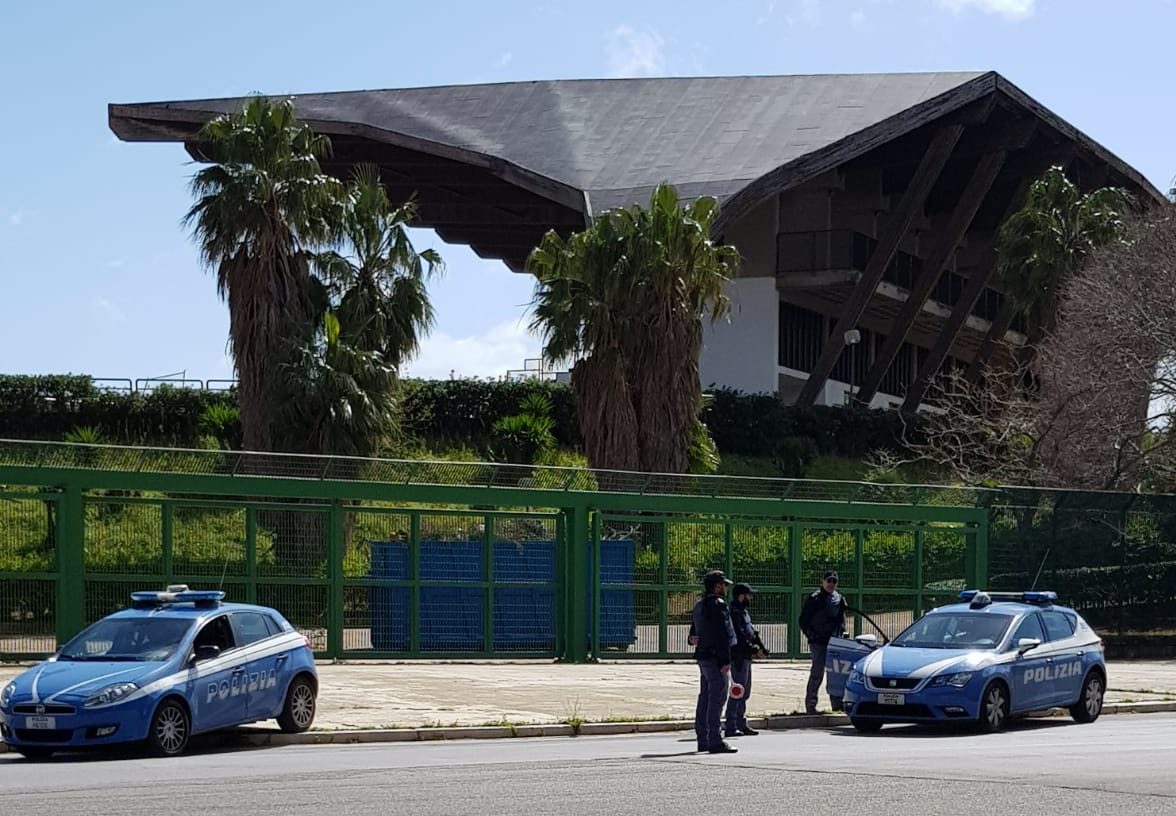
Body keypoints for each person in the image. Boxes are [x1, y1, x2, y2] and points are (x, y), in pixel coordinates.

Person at [690, 569, 738, 754]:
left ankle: (703, 739)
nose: (725, 588)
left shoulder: (699, 605)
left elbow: (693, 632)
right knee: (717, 698)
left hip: (702, 656)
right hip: (715, 657)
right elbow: (722, 634)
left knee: (705, 697)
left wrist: (692, 639)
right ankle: (715, 739)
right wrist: (725, 660)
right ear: (717, 586)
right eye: (724, 585)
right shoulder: (719, 605)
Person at [798, 571, 846, 715]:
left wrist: (841, 637)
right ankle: (811, 705)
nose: (831, 584)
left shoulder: (839, 599)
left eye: (834, 581)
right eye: (828, 581)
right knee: (817, 672)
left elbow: (842, 621)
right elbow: (803, 620)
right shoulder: (814, 599)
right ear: (823, 581)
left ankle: (837, 705)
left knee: (836, 673)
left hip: (834, 642)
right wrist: (812, 635)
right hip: (818, 642)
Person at [725, 581, 768, 737]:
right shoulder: (734, 613)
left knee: (745, 691)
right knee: (738, 691)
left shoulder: (743, 612)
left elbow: (752, 633)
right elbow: (740, 636)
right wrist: (754, 649)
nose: (751, 598)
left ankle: (740, 722)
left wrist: (761, 647)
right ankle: (731, 724)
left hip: (746, 657)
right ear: (741, 596)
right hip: (738, 657)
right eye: (749, 595)